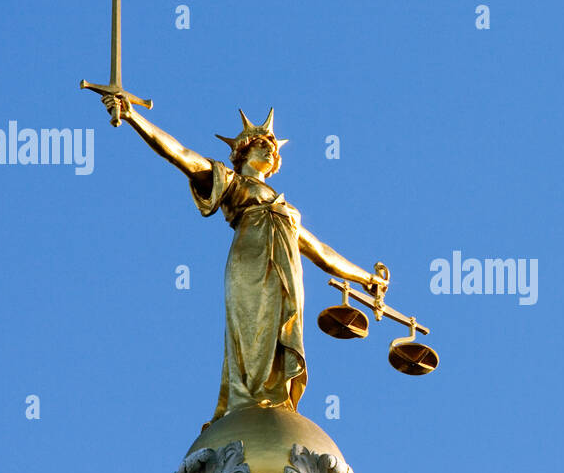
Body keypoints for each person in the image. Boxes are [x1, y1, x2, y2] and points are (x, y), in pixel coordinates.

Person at [101, 95, 386, 422]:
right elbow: (180, 154)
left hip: (287, 272)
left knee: (282, 329)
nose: (270, 149)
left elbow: (321, 252)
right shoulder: (232, 182)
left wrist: (367, 279)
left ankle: (274, 396)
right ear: (242, 151)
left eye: (273, 147)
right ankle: (248, 398)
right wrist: (134, 117)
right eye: (261, 143)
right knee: (253, 327)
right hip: (251, 264)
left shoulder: (286, 211)